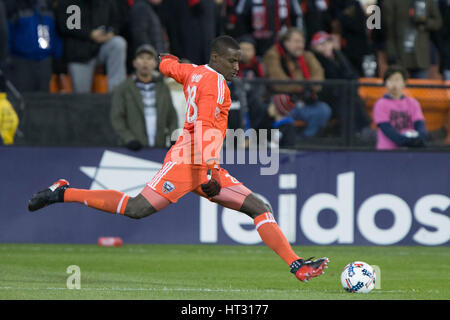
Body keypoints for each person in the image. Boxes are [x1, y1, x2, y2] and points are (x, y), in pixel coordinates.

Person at [28, 35, 328, 283]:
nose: (238, 67)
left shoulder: (195, 72)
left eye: (239, 61)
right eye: (232, 60)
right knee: (136, 208)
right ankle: (63, 193)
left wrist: (164, 59)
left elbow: (173, 69)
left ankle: (296, 265)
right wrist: (209, 172)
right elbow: (204, 129)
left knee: (259, 207)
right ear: (216, 58)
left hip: (202, 161)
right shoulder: (217, 85)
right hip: (188, 161)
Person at [263, 27, 331, 137]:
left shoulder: (307, 55)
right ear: (286, 42)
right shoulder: (273, 55)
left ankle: (306, 139)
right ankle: (288, 140)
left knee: (323, 109)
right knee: (278, 108)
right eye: (296, 42)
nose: (300, 45)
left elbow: (319, 77)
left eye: (302, 42)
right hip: (281, 101)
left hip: (304, 101)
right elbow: (279, 82)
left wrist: (308, 88)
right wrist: (303, 86)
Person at [110, 44, 179, 151]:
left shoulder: (163, 88)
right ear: (134, 63)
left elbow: (172, 116)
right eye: (141, 58)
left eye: (149, 58)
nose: (145, 62)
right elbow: (117, 117)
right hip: (131, 149)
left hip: (159, 146)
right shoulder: (123, 88)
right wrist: (129, 139)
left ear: (155, 64)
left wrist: (172, 138)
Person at [55, 0, 127, 93]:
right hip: (79, 53)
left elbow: (117, 20)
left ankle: (116, 94)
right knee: (82, 96)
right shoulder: (70, 3)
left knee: (118, 43)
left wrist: (111, 33)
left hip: (101, 47)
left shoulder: (107, 2)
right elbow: (65, 26)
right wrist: (90, 34)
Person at [310, 31, 371, 135]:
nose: (326, 46)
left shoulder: (338, 55)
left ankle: (363, 130)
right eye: (321, 44)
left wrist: (351, 85)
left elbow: (351, 73)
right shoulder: (315, 59)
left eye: (328, 42)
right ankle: (350, 135)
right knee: (345, 100)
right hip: (328, 95)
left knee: (353, 98)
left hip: (346, 92)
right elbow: (325, 80)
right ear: (314, 47)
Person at [4, 0, 63, 92]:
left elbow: (56, 33)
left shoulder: (48, 7)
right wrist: (7, 57)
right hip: (20, 61)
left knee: (44, 97)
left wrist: (58, 56)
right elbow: (6, 33)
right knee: (24, 96)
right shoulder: (14, 6)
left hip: (45, 60)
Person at [383, 0, 442, 79]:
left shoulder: (428, 1)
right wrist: (391, 53)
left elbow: (438, 22)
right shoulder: (393, 2)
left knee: (421, 89)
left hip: (421, 56)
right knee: (401, 89)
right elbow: (388, 29)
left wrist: (424, 22)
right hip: (400, 55)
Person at [373, 65, 428, 150]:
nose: (394, 84)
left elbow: (420, 125)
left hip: (410, 152)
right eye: (390, 80)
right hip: (387, 151)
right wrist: (406, 141)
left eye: (397, 80)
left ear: (404, 82)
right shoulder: (380, 104)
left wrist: (419, 139)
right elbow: (387, 129)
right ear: (385, 83)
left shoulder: (413, 103)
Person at [234, 0, 304, 57]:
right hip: (255, 48)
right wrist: (246, 41)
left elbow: (297, 19)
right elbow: (240, 20)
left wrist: (294, 40)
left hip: (283, 49)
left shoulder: (290, 2)